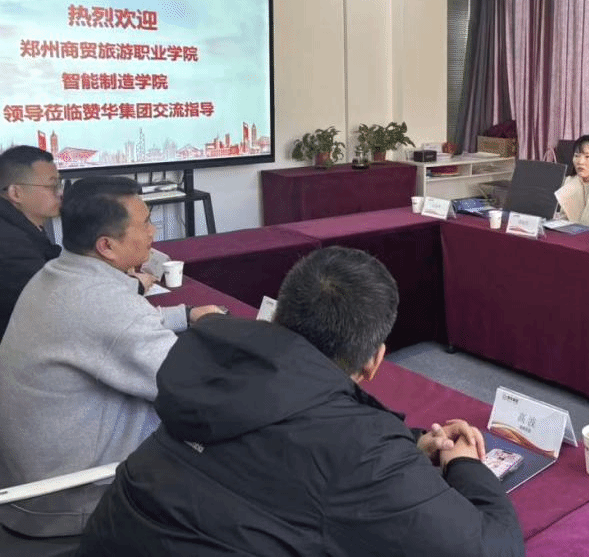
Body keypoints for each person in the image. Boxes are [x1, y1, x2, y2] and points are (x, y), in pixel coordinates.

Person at [78, 247, 525, 557]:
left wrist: (410, 445)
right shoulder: (359, 449)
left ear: (276, 315)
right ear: (374, 362)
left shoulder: (205, 360)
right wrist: (464, 465)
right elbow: (493, 548)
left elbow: (289, 443)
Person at [0, 177, 223, 537]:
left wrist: (186, 314)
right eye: (145, 223)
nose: (153, 232)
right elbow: (193, 385)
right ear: (106, 245)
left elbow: (108, 331)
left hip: (26, 484)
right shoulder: (104, 303)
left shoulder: (56, 274)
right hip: (72, 500)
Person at [0, 145, 63, 338]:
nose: (60, 193)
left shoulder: (19, 226)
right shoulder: (11, 246)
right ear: (16, 193)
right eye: (52, 186)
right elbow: (59, 304)